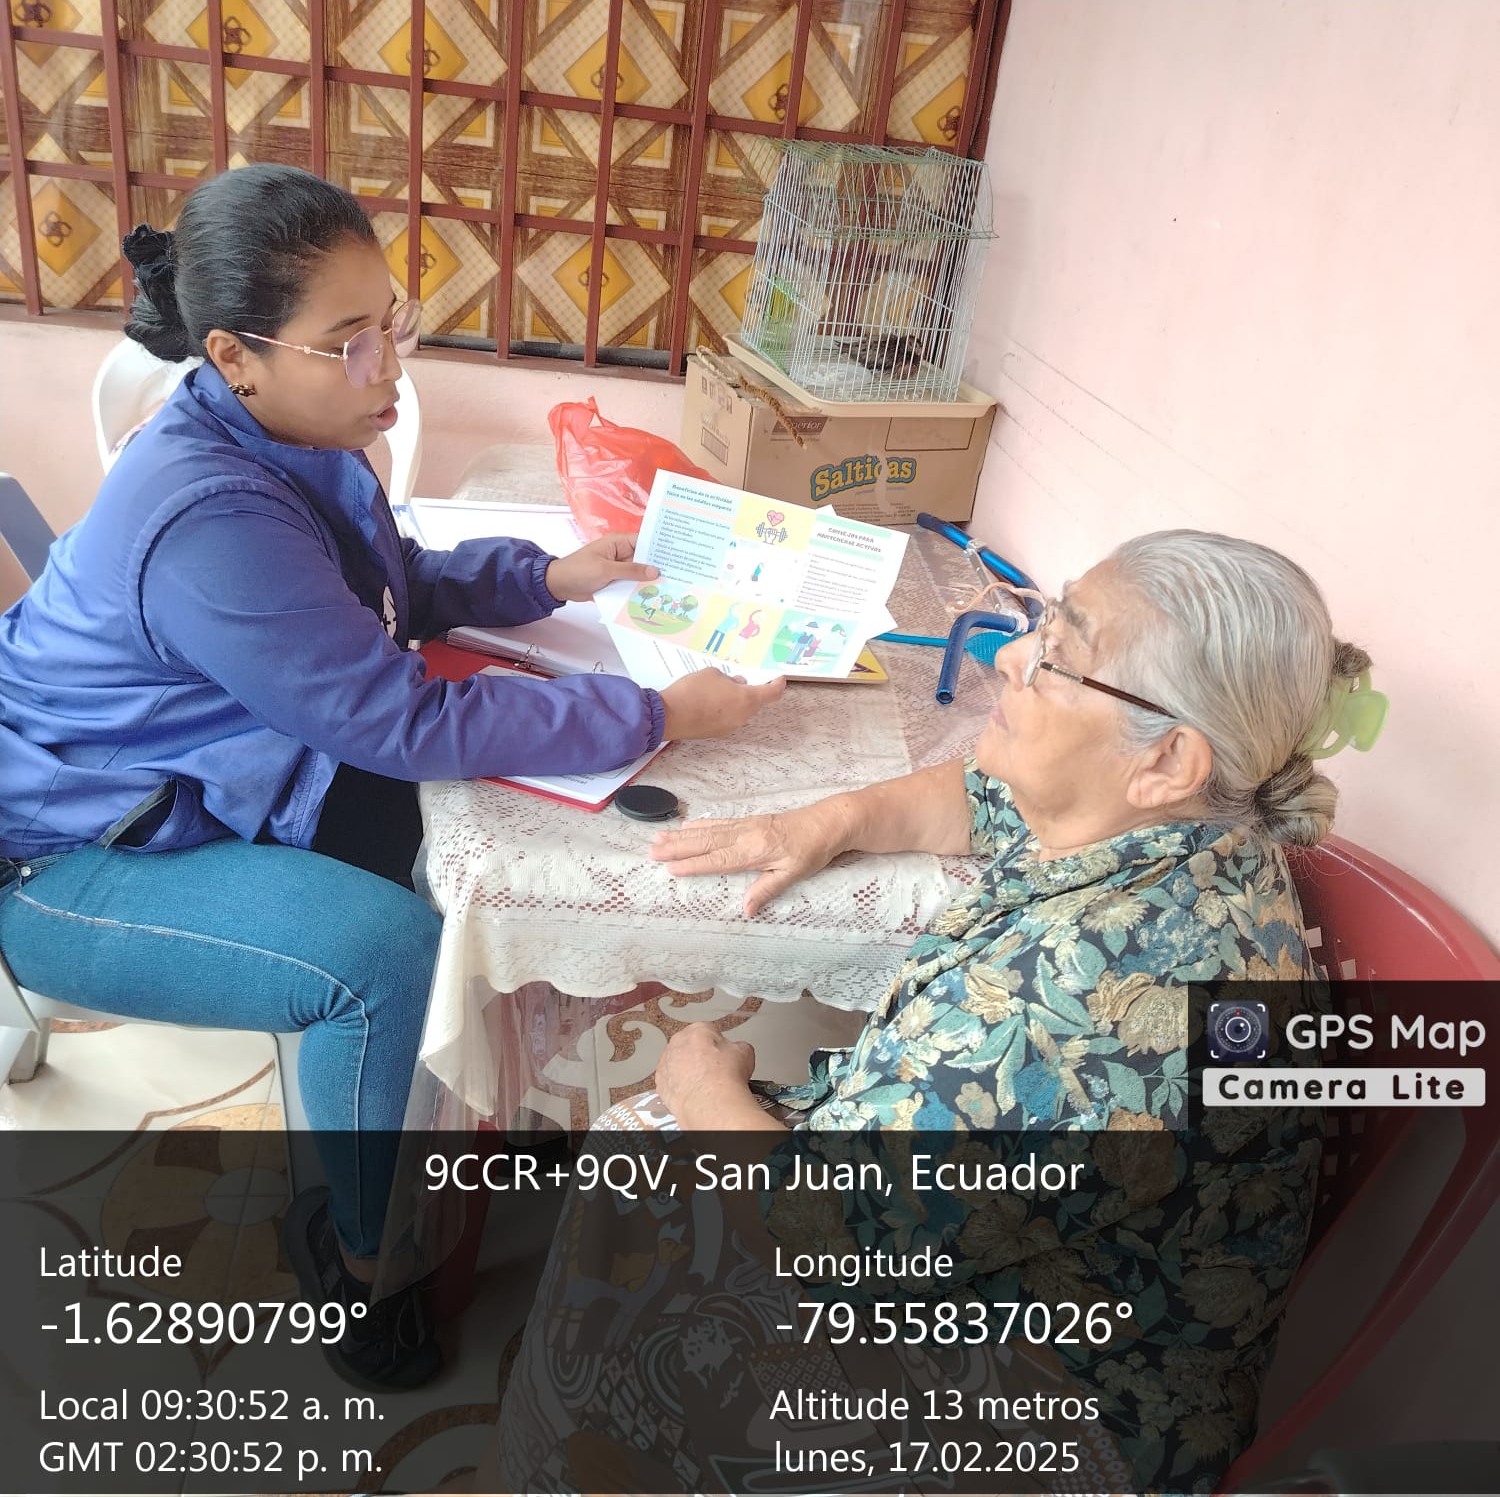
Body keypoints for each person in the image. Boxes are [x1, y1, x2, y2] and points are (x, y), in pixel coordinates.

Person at [0, 163, 783, 1390]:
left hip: (215, 773)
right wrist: (654, 710)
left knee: (489, 868)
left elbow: (389, 584)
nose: (389, 371)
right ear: (235, 355)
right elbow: (400, 720)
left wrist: (546, 578)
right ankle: (364, 1256)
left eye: (391, 325)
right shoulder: (206, 518)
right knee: (382, 959)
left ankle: (467, 1117)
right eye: (347, 342)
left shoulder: (298, 432)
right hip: (73, 851)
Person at [492, 529, 1382, 1493]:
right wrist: (824, 822)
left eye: (1056, 656)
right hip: (1007, 1261)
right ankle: (587, 1409)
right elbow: (980, 793)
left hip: (1056, 1414)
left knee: (650, 1144)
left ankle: (586, 1441)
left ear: (1167, 760)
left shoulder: (1096, 1005)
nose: (1010, 656)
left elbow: (830, 1234)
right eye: (1041, 623)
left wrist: (703, 1087)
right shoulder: (1179, 820)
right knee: (652, 1172)